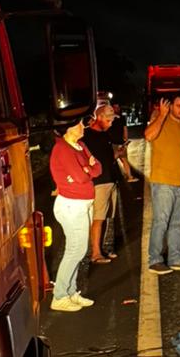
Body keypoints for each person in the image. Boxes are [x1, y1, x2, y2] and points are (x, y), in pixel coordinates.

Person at [48, 115, 100, 311]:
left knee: (78, 250)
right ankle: (60, 296)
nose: (83, 126)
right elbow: (80, 177)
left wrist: (88, 168)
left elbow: (98, 168)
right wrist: (88, 167)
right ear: (67, 128)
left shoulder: (80, 145)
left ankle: (70, 292)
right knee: (75, 250)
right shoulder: (62, 149)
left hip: (82, 204)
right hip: (71, 206)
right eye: (78, 123)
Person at [145, 95, 180, 275]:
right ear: (171, 107)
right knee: (161, 222)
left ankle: (175, 259)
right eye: (178, 105)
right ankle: (155, 260)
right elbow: (148, 136)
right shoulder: (160, 120)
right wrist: (161, 115)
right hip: (163, 182)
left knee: (176, 223)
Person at [81, 103, 120, 264]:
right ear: (100, 118)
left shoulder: (105, 135)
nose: (111, 123)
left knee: (105, 217)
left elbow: (108, 157)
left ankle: (101, 249)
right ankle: (95, 253)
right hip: (99, 182)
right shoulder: (86, 135)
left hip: (110, 179)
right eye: (109, 120)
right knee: (98, 217)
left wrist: (118, 153)